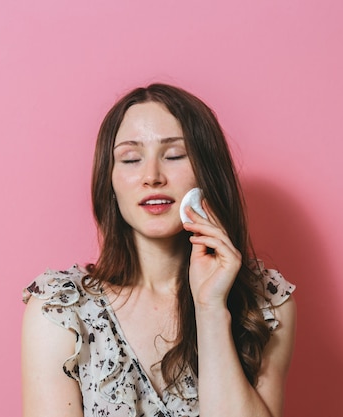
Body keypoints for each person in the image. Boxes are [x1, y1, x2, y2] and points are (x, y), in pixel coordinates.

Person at [21, 83, 296, 417]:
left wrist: (210, 309)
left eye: (175, 155)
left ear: (207, 174)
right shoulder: (61, 310)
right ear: (110, 182)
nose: (152, 176)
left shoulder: (265, 303)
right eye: (131, 158)